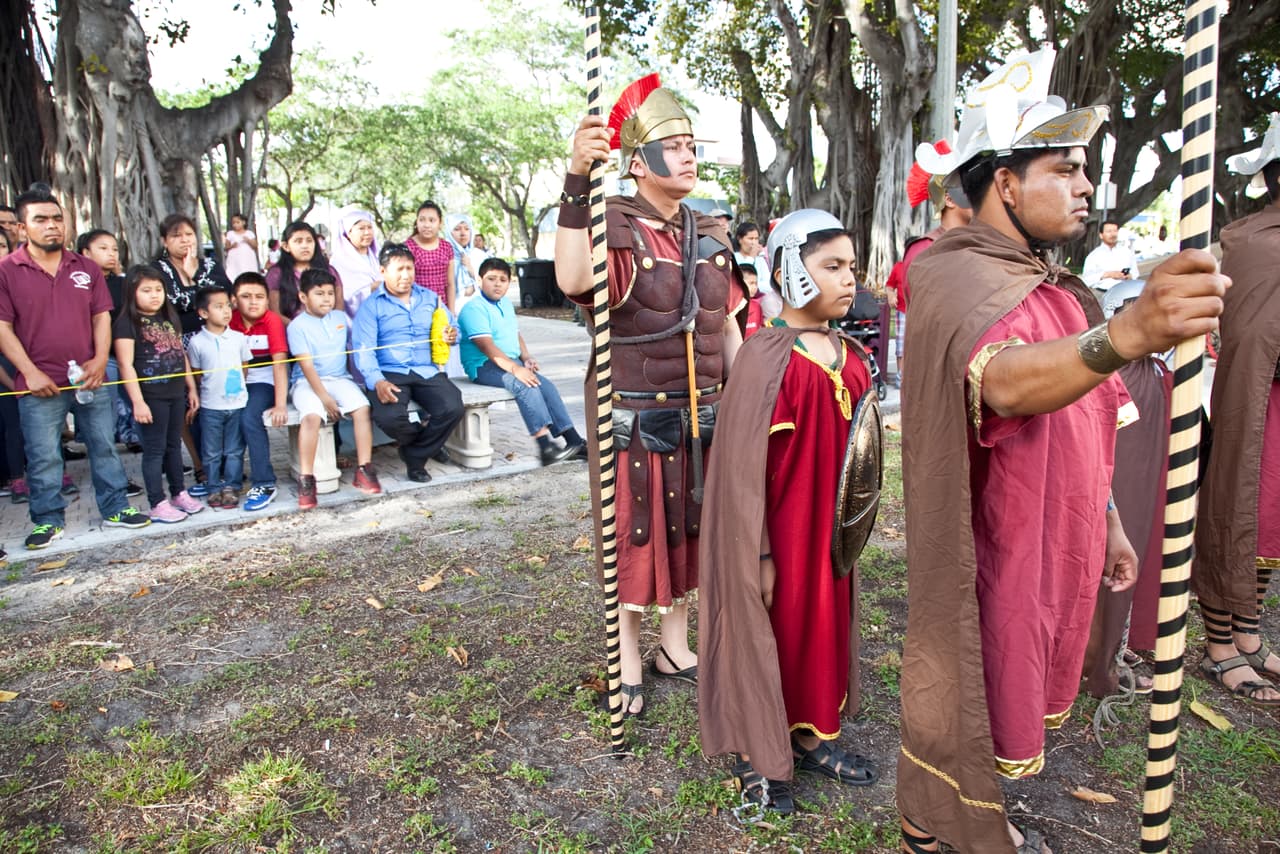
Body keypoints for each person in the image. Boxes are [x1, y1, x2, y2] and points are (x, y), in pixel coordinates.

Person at [895, 48, 1227, 853]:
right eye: (1063, 169)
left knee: (1019, 686)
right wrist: (1131, 331)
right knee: (973, 682)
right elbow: (1005, 385)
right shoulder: (953, 273)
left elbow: (1084, 416)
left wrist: (1108, 520)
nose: (1085, 187)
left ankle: (982, 807)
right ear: (1003, 183)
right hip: (995, 537)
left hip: (1060, 526)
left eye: (1085, 171)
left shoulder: (1049, 284)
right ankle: (929, 825)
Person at [554, 74, 747, 718]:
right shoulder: (614, 224)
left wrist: (745, 403)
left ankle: (674, 643)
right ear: (639, 163)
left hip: (705, 414)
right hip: (634, 418)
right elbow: (573, 277)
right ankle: (628, 652)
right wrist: (577, 180)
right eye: (676, 145)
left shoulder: (711, 231)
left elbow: (729, 326)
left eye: (694, 144)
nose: (690, 155)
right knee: (637, 537)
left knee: (692, 530)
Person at [700, 209, 878, 815]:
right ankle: (758, 754)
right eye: (832, 266)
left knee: (819, 632)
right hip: (777, 536)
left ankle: (808, 737)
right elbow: (743, 474)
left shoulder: (850, 356)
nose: (849, 279)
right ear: (790, 271)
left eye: (851, 266)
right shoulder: (765, 356)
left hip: (828, 537)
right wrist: (761, 556)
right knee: (768, 636)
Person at [0, 187, 152, 548]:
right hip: (37, 385)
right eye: (41, 220)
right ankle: (48, 520)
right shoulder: (6, 271)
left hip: (90, 379)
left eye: (57, 218)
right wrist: (30, 372)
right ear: (22, 229)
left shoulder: (85, 268)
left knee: (103, 444)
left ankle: (116, 507)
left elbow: (101, 317)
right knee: (43, 454)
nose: (52, 226)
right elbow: (2, 328)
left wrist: (100, 361)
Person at [1192, 112, 1280, 706]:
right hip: (1257, 406)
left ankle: (1250, 632)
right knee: (1241, 514)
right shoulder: (1252, 243)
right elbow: (1249, 336)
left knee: (1273, 529)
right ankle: (1220, 645)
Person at [1081, 279, 1170, 698]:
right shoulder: (1120, 372)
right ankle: (1098, 660)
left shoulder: (1155, 371)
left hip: (1141, 484)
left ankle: (1116, 647)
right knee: (1111, 557)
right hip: (1108, 493)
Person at [353, 242, 464, 484]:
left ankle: (414, 455)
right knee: (390, 418)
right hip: (390, 373)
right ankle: (424, 449)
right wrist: (377, 381)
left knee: (453, 406)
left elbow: (452, 324)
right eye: (399, 269)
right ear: (383, 272)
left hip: (426, 370)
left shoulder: (430, 298)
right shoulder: (371, 306)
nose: (406, 275)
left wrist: (452, 334)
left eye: (409, 269)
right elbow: (363, 351)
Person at [458, 257, 585, 465]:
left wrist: (526, 358)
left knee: (547, 386)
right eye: (491, 278)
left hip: (510, 361)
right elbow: (487, 348)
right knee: (526, 386)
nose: (497, 283)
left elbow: (515, 334)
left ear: (509, 283)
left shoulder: (506, 304)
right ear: (480, 280)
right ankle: (545, 447)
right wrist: (516, 370)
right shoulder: (473, 309)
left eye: (503, 279)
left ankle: (573, 441)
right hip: (484, 365)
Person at [113, 265, 204, 523]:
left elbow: (180, 354)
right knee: (155, 450)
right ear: (132, 292)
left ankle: (178, 493)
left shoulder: (168, 317)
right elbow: (125, 364)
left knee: (174, 446)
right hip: (150, 396)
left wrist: (191, 386)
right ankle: (157, 502)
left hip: (175, 393)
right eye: (146, 290)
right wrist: (138, 402)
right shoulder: (126, 324)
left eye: (158, 289)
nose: (154, 295)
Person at [286, 268, 381, 509]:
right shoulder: (297, 326)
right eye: (319, 293)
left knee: (362, 408)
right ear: (303, 297)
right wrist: (324, 397)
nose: (326, 298)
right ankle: (306, 479)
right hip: (307, 382)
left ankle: (364, 469)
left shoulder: (340, 318)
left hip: (340, 378)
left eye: (330, 293)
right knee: (312, 416)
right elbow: (306, 366)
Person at [885, 140, 973, 383]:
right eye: (970, 188)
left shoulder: (981, 244)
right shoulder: (925, 250)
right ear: (949, 198)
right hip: (941, 373)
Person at [185, 287, 253, 510]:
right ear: (203, 313)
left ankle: (231, 487)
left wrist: (235, 390)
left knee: (234, 449)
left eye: (227, 305)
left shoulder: (238, 339)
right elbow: (196, 373)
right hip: (210, 405)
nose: (226, 311)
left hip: (237, 403)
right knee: (211, 450)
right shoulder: (196, 342)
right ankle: (213, 487)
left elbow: (245, 368)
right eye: (218, 306)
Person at [78, 229, 144, 457]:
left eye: (115, 249)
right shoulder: (78, 284)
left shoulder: (123, 284)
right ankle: (114, 475)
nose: (111, 254)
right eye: (103, 249)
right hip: (99, 359)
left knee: (141, 405)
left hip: (129, 355)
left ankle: (156, 460)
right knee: (107, 414)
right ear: (85, 252)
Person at [230, 272, 289, 511]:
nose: (253, 302)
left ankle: (265, 482)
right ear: (234, 300)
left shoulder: (271, 320)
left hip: (265, 380)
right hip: (236, 379)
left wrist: (281, 403)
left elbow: (279, 364)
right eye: (246, 296)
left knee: (249, 418)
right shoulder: (230, 320)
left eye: (259, 297)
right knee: (224, 417)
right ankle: (227, 480)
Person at [154, 213, 233, 341]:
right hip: (177, 339)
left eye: (189, 234)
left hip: (217, 337)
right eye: (176, 236)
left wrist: (196, 274)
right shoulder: (157, 270)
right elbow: (171, 303)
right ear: (164, 242)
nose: (185, 240)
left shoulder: (211, 265)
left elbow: (227, 292)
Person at [266, 221, 344, 324]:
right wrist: (299, 330)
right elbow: (274, 312)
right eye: (298, 241)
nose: (305, 246)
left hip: (327, 331)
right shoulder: (276, 274)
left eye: (309, 241)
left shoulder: (329, 271)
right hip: (291, 332)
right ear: (286, 246)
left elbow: (339, 307)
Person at [405, 201, 456, 316]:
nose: (426, 225)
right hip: (416, 310)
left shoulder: (446, 247)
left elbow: (450, 284)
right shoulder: (407, 247)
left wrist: (451, 313)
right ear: (416, 222)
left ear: (440, 223)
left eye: (432, 220)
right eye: (422, 220)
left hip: (441, 309)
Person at [329, 205, 380, 319]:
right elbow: (342, 297)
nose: (367, 232)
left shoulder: (379, 257)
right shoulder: (338, 263)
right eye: (361, 228)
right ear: (349, 233)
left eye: (369, 227)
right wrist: (370, 289)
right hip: (355, 322)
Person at [1081, 218, 1138, 292]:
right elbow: (1086, 279)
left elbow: (1135, 273)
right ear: (1101, 235)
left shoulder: (1126, 252)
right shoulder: (1094, 256)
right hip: (1102, 293)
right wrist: (1108, 274)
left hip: (1125, 291)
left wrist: (1130, 276)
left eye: (1115, 231)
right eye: (1109, 231)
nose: (1113, 234)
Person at [446, 212, 484, 309]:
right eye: (457, 229)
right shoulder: (444, 256)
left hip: (478, 309)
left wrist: (469, 267)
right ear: (449, 232)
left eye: (467, 229)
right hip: (452, 310)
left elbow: (489, 284)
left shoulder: (479, 255)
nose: (463, 233)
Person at [223, 213, 260, 281]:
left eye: (238, 222)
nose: (235, 225)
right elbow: (226, 247)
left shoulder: (249, 233)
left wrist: (248, 240)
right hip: (234, 259)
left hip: (247, 259)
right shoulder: (230, 234)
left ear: (243, 222)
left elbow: (255, 245)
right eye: (234, 223)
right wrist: (232, 246)